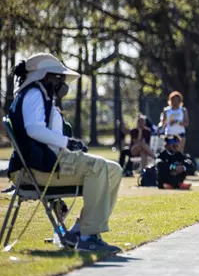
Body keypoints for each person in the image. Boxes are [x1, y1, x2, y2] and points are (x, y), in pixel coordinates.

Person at [7, 53, 122, 253]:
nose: (61, 82)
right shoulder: (34, 94)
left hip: (48, 164)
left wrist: (67, 142)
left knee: (114, 170)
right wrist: (67, 142)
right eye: (57, 77)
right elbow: (34, 129)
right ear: (44, 76)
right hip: (35, 171)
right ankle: (88, 237)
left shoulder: (40, 95)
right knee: (98, 167)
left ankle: (78, 232)